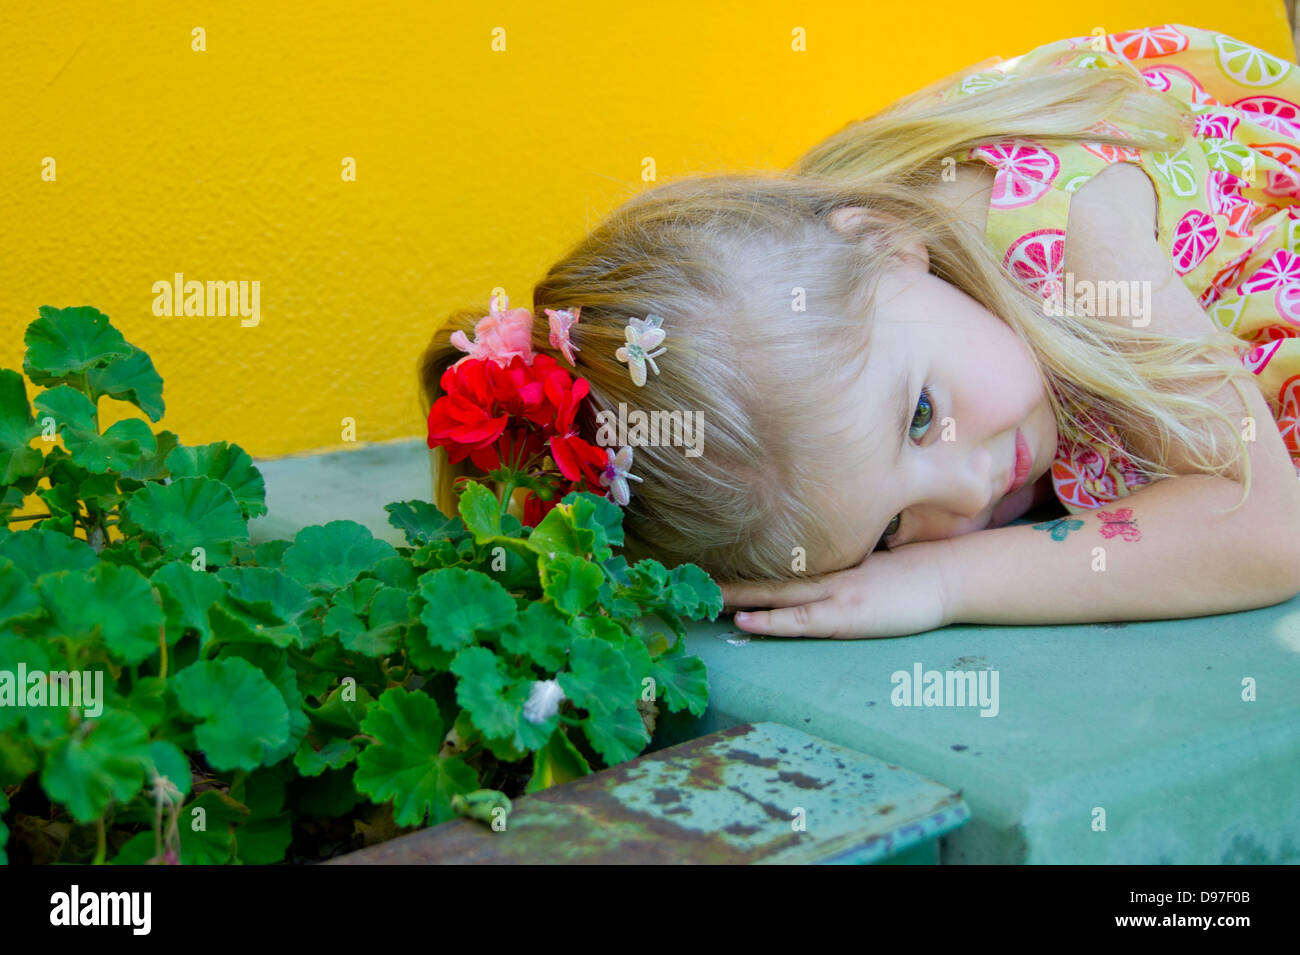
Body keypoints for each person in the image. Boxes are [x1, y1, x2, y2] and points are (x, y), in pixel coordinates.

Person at [418, 23, 1300, 638]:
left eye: (919, 414)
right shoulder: (861, 288)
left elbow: (1265, 528)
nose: (962, 494)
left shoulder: (1069, 236)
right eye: (889, 532)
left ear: (884, 241)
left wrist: (941, 580)